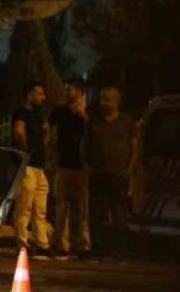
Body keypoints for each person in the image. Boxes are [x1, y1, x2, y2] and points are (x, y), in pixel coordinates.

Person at [86, 86, 138, 261]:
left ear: (116, 101)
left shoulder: (127, 122)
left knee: (119, 214)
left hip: (119, 175)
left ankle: (119, 251)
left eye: (106, 99)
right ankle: (98, 249)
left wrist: (129, 169)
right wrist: (87, 166)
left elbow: (135, 146)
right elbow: (85, 145)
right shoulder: (94, 122)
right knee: (95, 214)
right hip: (98, 174)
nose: (103, 103)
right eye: (101, 99)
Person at [48, 80, 91, 260]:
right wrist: (51, 148)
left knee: (82, 208)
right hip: (63, 165)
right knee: (61, 205)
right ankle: (61, 244)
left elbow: (94, 134)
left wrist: (83, 115)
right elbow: (49, 129)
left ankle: (83, 244)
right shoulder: (59, 111)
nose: (67, 93)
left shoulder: (87, 114)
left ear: (80, 94)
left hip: (82, 166)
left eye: (70, 90)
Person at [11, 82, 52, 259]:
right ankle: (22, 242)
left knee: (39, 206)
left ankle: (42, 243)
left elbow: (46, 130)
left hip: (38, 165)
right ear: (29, 95)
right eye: (39, 94)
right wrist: (26, 149)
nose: (42, 97)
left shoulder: (38, 115)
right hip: (28, 165)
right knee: (25, 206)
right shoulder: (22, 113)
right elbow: (19, 131)